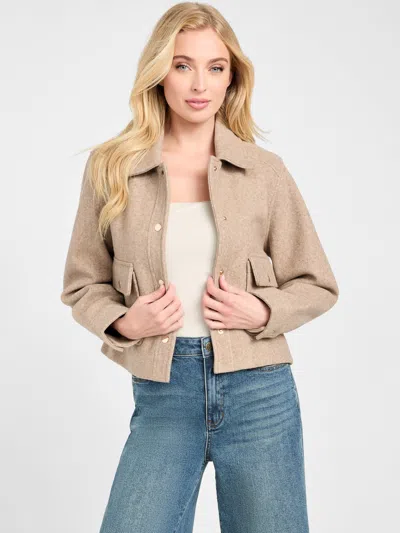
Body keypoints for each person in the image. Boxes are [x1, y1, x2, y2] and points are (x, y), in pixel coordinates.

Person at [61, 3, 339, 532]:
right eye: (182, 64)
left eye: (216, 67)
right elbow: (82, 283)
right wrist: (125, 322)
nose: (199, 84)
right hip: (164, 392)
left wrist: (262, 310)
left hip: (260, 393)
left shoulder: (264, 171)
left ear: (232, 78)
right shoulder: (113, 168)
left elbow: (317, 283)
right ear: (159, 73)